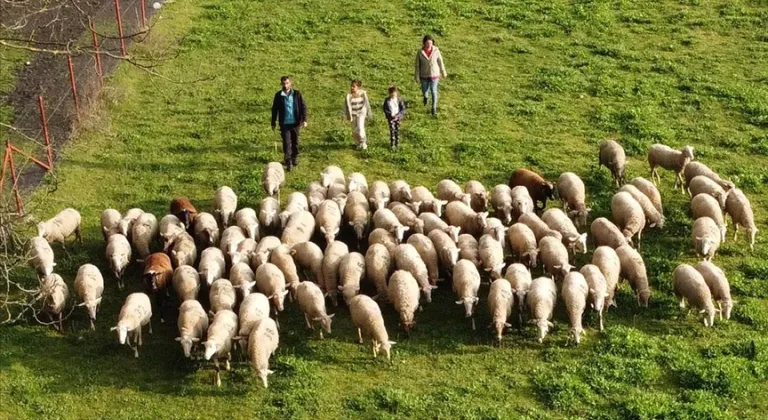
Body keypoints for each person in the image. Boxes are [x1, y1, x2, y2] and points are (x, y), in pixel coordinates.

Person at [271, 76, 307, 171]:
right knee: (286, 143)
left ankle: (294, 158)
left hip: (295, 123)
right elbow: (275, 109)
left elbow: (303, 107)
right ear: (281, 84)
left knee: (295, 142)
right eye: (283, 83)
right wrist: (273, 122)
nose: (285, 85)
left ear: (290, 83)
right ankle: (288, 162)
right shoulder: (278, 95)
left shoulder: (297, 94)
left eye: (287, 83)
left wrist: (304, 120)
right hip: (284, 123)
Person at [414, 35, 447, 116]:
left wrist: (443, 72)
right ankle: (425, 97)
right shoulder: (420, 52)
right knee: (425, 90)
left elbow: (440, 61)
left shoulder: (436, 50)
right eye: (427, 43)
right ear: (424, 43)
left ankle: (433, 108)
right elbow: (417, 65)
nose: (429, 45)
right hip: (424, 75)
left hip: (434, 74)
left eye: (430, 43)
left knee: (433, 91)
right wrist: (417, 76)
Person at [343, 80, 372, 150]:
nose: (352, 88)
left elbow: (367, 104)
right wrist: (344, 115)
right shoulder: (349, 96)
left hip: (361, 114)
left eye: (354, 86)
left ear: (358, 87)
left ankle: (363, 143)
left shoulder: (363, 94)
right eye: (351, 86)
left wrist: (369, 113)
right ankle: (358, 144)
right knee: (354, 130)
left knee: (360, 128)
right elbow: (345, 106)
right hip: (353, 115)